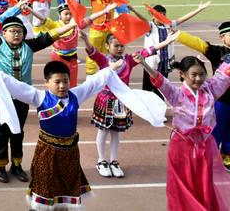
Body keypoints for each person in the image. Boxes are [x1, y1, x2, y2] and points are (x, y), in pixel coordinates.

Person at [0, 59, 165, 210]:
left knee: (66, 187)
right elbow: (15, 85)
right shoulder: (39, 97)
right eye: (57, 82)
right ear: (46, 83)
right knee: (45, 186)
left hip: (70, 153)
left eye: (65, 81)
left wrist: (111, 68)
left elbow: (94, 82)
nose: (62, 86)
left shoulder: (75, 95)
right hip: (47, 153)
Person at [0, 12, 105, 183]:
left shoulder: (29, 46)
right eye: (12, 31)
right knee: (1, 131)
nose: (16, 34)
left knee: (18, 131)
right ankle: (0, 166)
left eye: (19, 31)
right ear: (4, 33)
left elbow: (52, 35)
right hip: (3, 97)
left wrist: (72, 25)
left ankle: (16, 165)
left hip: (23, 99)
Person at [135, 54, 230, 210]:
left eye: (202, 74)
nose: (198, 79)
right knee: (183, 184)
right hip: (182, 146)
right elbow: (160, 80)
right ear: (183, 74)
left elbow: (223, 77)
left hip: (204, 145)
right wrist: (144, 64)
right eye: (194, 75)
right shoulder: (176, 94)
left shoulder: (210, 90)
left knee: (203, 181)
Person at [81, 29, 180, 178]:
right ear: (107, 46)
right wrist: (85, 40)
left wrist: (166, 42)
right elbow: (92, 51)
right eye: (116, 45)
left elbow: (148, 51)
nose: (119, 48)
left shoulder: (128, 60)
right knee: (103, 131)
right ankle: (101, 161)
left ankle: (114, 161)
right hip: (106, 100)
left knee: (116, 132)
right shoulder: (104, 60)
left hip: (122, 101)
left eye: (122, 46)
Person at [175, 20, 230, 170]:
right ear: (222, 37)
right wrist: (179, 35)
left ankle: (227, 156)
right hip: (221, 100)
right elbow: (199, 44)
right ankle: (210, 156)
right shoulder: (217, 52)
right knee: (216, 130)